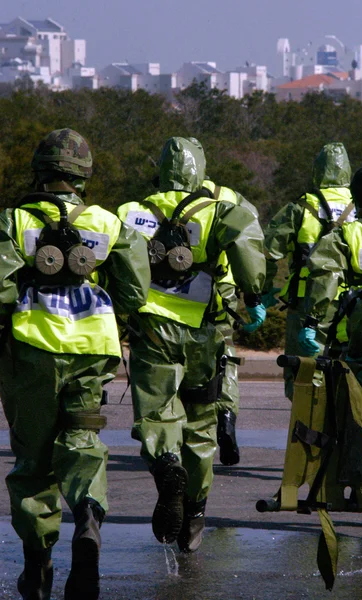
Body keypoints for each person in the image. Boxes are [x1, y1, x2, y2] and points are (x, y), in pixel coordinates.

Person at [0, 128, 150, 600]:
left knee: (33, 461)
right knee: (83, 444)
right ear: (84, 173)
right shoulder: (109, 223)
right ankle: (88, 518)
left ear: (39, 169)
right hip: (91, 354)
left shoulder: (14, 220)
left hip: (32, 353)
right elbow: (134, 293)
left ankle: (38, 565)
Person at [117, 136, 266, 552]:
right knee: (201, 426)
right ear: (199, 169)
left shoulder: (133, 211)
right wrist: (254, 295)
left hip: (152, 331)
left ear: (163, 169)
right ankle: (196, 511)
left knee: (156, 413)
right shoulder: (223, 210)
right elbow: (250, 252)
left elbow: (116, 267)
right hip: (203, 333)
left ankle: (166, 464)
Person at [301, 161, 362, 517]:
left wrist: (314, 324)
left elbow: (324, 286)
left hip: (360, 342)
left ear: (357, 198)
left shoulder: (345, 235)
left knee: (361, 419)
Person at [263, 142, 354, 399]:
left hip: (305, 303)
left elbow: (269, 252)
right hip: (354, 302)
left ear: (317, 171)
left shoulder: (301, 208)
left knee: (303, 371)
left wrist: (263, 290)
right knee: (349, 370)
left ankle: (307, 429)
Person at [202, 177, 264, 466]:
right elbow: (250, 234)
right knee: (223, 353)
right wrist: (252, 294)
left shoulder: (164, 197)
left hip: (173, 290)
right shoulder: (230, 195)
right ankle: (226, 416)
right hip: (222, 286)